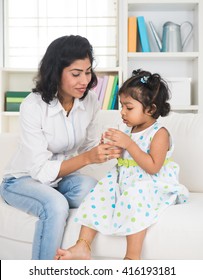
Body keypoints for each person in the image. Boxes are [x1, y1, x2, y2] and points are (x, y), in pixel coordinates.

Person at [0, 35, 121, 260]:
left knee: (98, 190)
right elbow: (40, 170)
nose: (84, 80)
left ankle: (82, 247)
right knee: (55, 205)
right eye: (76, 74)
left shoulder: (90, 101)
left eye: (87, 72)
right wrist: (87, 158)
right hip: (22, 179)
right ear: (56, 72)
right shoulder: (32, 106)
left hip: (60, 179)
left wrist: (109, 147)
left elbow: (89, 144)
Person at [54, 69, 189, 260]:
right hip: (123, 178)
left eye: (129, 107)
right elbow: (121, 156)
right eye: (122, 106)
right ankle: (82, 245)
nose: (122, 112)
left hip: (150, 182)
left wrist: (128, 143)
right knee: (99, 192)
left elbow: (153, 167)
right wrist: (109, 146)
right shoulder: (127, 129)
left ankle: (132, 257)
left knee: (134, 198)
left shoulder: (159, 133)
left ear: (150, 109)